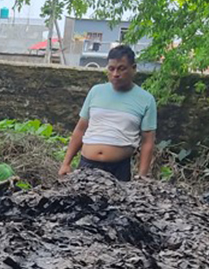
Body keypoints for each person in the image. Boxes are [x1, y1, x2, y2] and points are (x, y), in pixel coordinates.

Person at [59, 45, 158, 182]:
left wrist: (142, 176)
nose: (115, 74)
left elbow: (148, 141)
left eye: (121, 68)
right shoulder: (96, 92)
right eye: (111, 69)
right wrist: (66, 163)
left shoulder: (146, 100)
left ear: (133, 68)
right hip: (87, 165)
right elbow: (81, 129)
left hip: (119, 169)